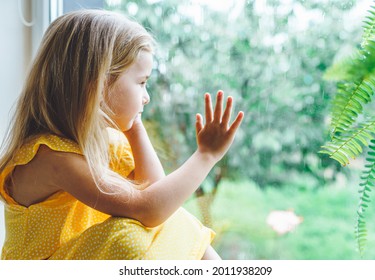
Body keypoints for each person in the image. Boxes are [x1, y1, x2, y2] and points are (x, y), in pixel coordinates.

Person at [0, 9, 244, 260]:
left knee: (175, 218)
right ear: (97, 84)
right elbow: (148, 209)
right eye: (141, 83)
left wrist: (134, 126)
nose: (146, 97)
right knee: (125, 239)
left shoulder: (106, 144)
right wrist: (206, 156)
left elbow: (158, 197)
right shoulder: (50, 159)